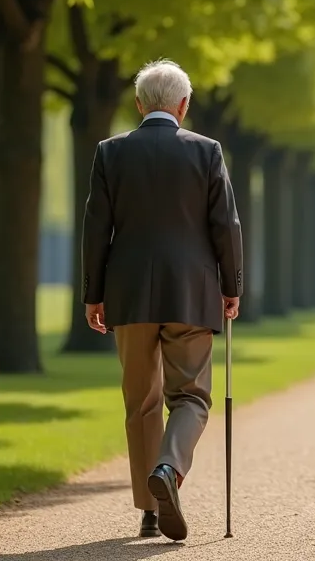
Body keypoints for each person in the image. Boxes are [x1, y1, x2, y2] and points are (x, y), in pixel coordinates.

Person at [80, 59, 244, 541]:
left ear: (138, 105)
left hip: (129, 295)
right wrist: (232, 286)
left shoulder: (110, 152)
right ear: (183, 105)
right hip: (191, 293)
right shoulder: (206, 151)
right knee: (191, 396)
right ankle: (169, 469)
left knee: (141, 403)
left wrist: (93, 294)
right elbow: (226, 224)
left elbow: (96, 229)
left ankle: (150, 511)